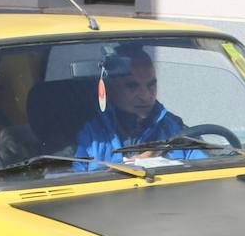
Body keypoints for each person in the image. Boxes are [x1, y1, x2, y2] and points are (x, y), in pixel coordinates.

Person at [72, 50, 202, 170]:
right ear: (110, 89)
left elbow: (207, 169)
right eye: (132, 86)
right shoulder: (86, 135)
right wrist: (130, 167)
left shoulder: (174, 129)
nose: (145, 96)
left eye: (151, 85)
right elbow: (69, 181)